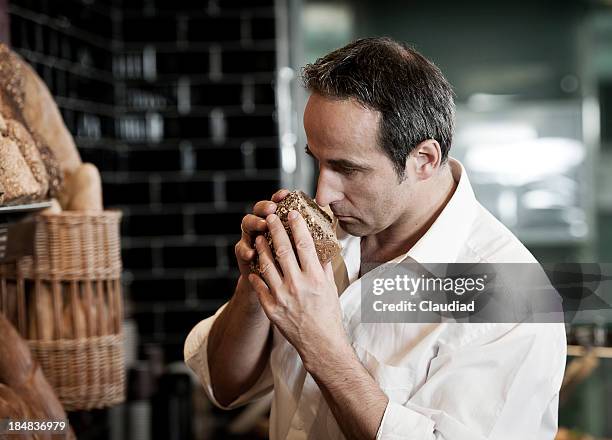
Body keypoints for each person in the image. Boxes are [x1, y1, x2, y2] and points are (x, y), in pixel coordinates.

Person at [184, 37, 566, 439]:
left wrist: (319, 340)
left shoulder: (516, 300)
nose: (323, 195)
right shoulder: (325, 240)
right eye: (318, 161)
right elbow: (225, 387)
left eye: (347, 168)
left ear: (424, 160)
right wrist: (253, 283)